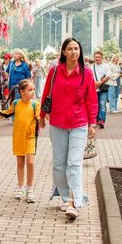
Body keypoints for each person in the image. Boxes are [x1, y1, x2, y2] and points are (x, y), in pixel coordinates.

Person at [38, 37, 98, 221]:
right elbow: (46, 92)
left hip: (79, 123)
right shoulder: (55, 71)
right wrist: (41, 115)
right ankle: (65, 197)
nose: (74, 52)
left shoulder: (86, 73)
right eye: (70, 49)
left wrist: (92, 123)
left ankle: (74, 201)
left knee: (74, 163)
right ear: (63, 52)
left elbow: (91, 99)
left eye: (76, 49)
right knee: (58, 164)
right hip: (57, 123)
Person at [0, 79, 41, 203]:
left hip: (31, 137)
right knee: (20, 163)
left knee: (30, 163)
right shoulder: (16, 103)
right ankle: (20, 187)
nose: (32, 92)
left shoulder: (35, 104)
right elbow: (6, 114)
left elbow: (39, 117)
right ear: (21, 92)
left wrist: (42, 118)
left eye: (33, 90)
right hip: (18, 137)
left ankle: (30, 189)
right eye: (29, 90)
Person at [90, 51, 113, 128]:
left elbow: (108, 76)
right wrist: (95, 83)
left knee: (102, 104)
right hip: (94, 88)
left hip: (103, 88)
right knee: (95, 105)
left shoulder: (106, 66)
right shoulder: (92, 66)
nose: (97, 58)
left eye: (99, 57)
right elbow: (89, 77)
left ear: (102, 57)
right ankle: (95, 120)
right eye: (96, 57)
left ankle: (101, 120)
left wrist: (100, 82)